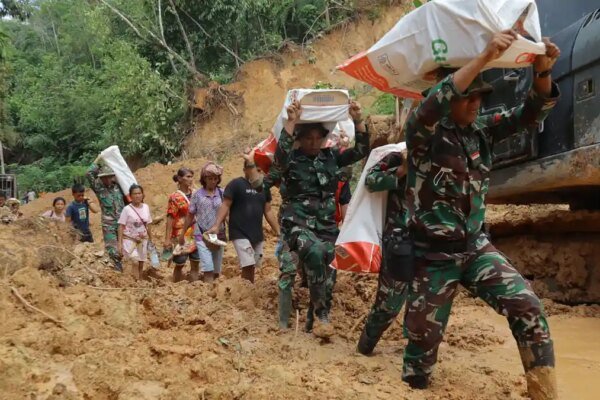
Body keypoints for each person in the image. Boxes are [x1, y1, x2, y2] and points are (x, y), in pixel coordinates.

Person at [401, 30, 560, 398]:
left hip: (475, 248)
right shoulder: (423, 133)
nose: (476, 103)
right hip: (432, 255)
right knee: (420, 356)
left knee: (528, 307)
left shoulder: (480, 131)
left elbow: (532, 112)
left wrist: (542, 71)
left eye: (480, 96)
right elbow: (433, 104)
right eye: (468, 96)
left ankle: (545, 393)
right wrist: (485, 56)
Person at [269, 100, 369, 338]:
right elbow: (279, 160)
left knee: (329, 269)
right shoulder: (291, 159)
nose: (313, 143)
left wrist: (357, 120)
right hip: (298, 225)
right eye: (308, 138)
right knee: (314, 252)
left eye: (318, 138)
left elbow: (361, 151)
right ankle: (322, 314)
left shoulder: (331, 157)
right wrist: (291, 122)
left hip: (326, 226)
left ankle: (314, 321)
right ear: (300, 139)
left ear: (325, 138)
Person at [356, 149, 410, 355]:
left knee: (425, 303)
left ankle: (416, 353)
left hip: (432, 240)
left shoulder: (447, 156)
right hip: (400, 242)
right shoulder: (397, 156)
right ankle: (365, 348)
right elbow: (371, 181)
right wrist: (402, 170)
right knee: (389, 303)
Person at [207, 158, 279, 284]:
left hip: (257, 233)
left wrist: (278, 230)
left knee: (254, 264)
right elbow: (225, 205)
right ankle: (245, 290)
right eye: (252, 168)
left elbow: (268, 211)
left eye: (258, 169)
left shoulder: (264, 187)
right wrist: (216, 225)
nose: (255, 172)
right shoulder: (236, 184)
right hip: (239, 232)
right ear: (245, 170)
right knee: (248, 263)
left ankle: (247, 289)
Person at [181, 162, 226, 283]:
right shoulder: (197, 195)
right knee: (208, 268)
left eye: (215, 179)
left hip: (218, 234)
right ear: (204, 179)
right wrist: (183, 233)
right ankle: (207, 290)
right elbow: (190, 214)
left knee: (216, 270)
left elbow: (226, 212)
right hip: (201, 234)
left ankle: (214, 291)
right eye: (210, 178)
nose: (213, 181)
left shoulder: (222, 193)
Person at [87, 162, 126, 271]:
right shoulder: (99, 188)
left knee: (125, 247)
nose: (107, 179)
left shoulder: (119, 187)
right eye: (104, 177)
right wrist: (98, 162)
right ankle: (117, 267)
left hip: (123, 222)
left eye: (109, 177)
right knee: (112, 247)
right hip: (108, 223)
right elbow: (88, 173)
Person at [164, 168, 199, 282]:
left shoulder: (196, 193)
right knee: (180, 262)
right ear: (179, 179)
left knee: (195, 262)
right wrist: (167, 239)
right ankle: (176, 286)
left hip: (196, 232)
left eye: (191, 177)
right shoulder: (175, 197)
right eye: (188, 177)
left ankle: (195, 287)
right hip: (181, 235)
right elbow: (170, 217)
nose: (190, 179)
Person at [118, 184, 153, 280]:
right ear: (130, 196)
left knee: (141, 262)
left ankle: (139, 281)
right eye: (135, 194)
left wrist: (151, 239)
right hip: (129, 240)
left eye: (139, 193)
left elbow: (149, 224)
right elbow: (121, 226)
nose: (137, 196)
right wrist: (120, 243)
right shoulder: (127, 209)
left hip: (143, 240)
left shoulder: (146, 207)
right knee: (135, 261)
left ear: (142, 195)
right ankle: (135, 281)